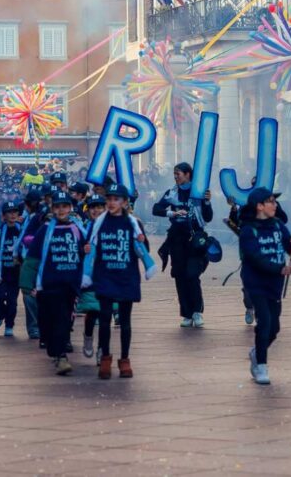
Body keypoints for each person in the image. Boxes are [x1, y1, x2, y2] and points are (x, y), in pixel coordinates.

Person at [83, 184, 157, 380]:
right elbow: (91, 245)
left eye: (116, 199)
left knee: (125, 321)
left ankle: (125, 359)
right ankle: (105, 358)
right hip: (105, 275)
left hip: (126, 276)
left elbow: (144, 248)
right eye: (109, 199)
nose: (111, 203)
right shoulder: (99, 222)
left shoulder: (132, 223)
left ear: (125, 202)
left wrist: (141, 239)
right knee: (105, 318)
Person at [238, 187, 291, 385]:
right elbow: (255, 258)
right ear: (259, 206)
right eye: (271, 201)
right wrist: (279, 269)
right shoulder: (248, 230)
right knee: (264, 322)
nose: (275, 205)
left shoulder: (278, 225)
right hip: (256, 283)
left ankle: (257, 350)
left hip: (275, 284)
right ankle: (261, 366)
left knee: (274, 328)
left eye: (275, 201)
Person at [26, 191, 86, 375]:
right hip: (48, 284)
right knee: (47, 321)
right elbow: (33, 257)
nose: (61, 210)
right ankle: (55, 349)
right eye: (58, 207)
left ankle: (61, 356)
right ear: (52, 209)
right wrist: (28, 284)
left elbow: (86, 253)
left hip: (70, 284)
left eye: (65, 206)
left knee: (63, 319)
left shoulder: (77, 229)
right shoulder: (45, 230)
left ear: (70, 208)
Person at [153, 162, 214, 328]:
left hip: (195, 240)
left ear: (188, 174)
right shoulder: (172, 192)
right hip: (177, 239)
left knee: (192, 274)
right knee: (179, 276)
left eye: (178, 173)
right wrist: (171, 212)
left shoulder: (200, 192)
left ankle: (197, 311)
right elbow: (156, 208)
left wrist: (207, 202)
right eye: (174, 173)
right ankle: (186, 314)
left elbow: (208, 217)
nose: (175, 176)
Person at [77, 195, 106, 361]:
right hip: (89, 277)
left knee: (104, 315)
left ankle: (102, 349)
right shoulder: (83, 228)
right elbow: (76, 249)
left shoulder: (109, 226)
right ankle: (88, 336)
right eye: (93, 207)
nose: (96, 210)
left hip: (106, 275)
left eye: (100, 207)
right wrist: (83, 249)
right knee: (93, 312)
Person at [0, 200, 23, 337]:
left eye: (15, 212)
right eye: (9, 212)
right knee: (0, 297)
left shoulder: (21, 230)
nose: (13, 215)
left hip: (16, 274)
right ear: (4, 216)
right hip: (2, 274)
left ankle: (9, 325)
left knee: (13, 302)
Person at [16, 189, 45, 341]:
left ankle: (42, 326)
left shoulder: (42, 217)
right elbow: (23, 237)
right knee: (28, 293)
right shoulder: (27, 217)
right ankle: (34, 327)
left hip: (45, 261)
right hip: (28, 260)